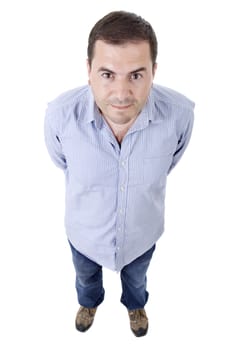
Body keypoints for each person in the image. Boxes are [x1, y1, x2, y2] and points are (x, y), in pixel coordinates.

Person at [44, 10, 195, 337]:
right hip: (84, 235)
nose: (122, 93)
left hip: (142, 235)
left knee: (137, 279)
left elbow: (172, 159)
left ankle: (135, 305)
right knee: (85, 278)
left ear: (154, 71)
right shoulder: (59, 117)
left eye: (136, 75)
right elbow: (60, 160)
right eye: (108, 74)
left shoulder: (180, 115)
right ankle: (89, 301)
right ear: (89, 71)